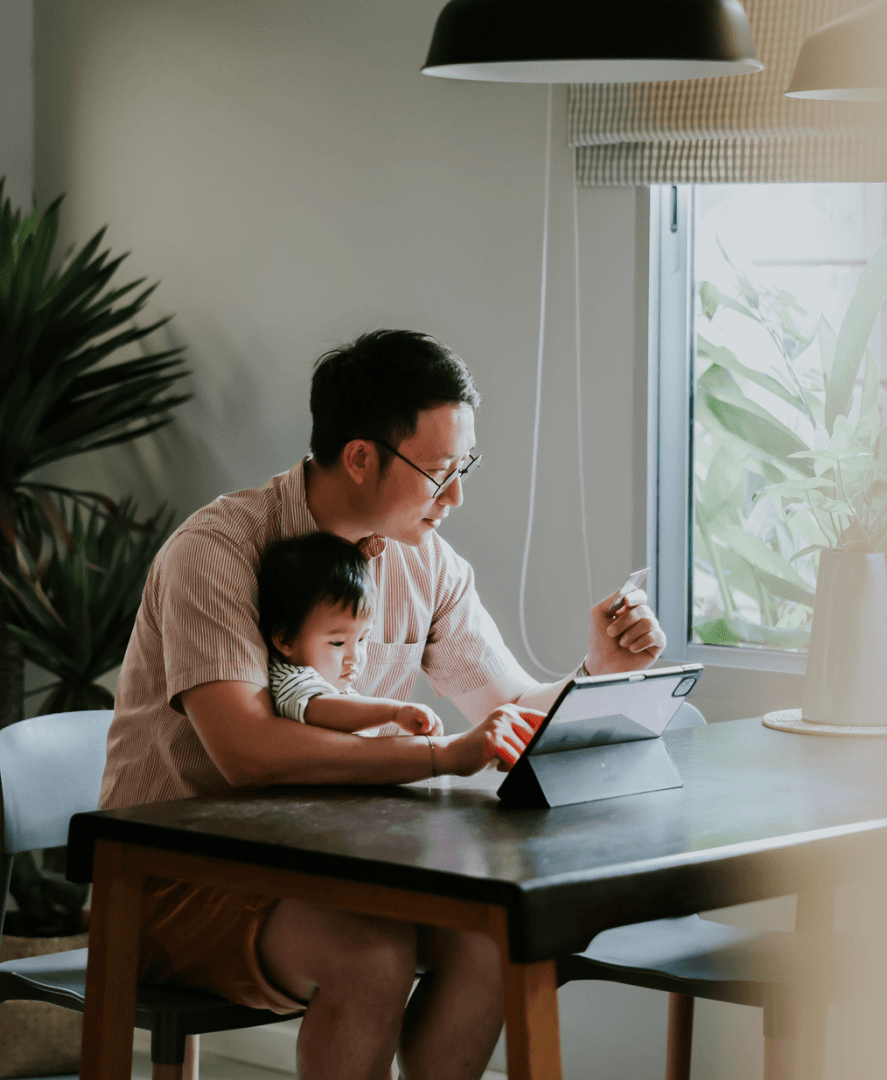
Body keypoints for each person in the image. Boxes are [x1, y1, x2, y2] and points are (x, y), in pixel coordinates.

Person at [100, 329, 666, 1080]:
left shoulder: (427, 561)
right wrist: (436, 755)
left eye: (465, 467)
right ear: (361, 456)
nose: (456, 495)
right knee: (371, 956)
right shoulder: (217, 552)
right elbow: (247, 751)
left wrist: (598, 670)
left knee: (497, 936)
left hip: (335, 867)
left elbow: (509, 705)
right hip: (171, 881)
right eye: (438, 471)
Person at [257, 531, 446, 739]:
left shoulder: (337, 689)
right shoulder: (290, 680)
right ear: (286, 639)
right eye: (338, 642)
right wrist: (394, 712)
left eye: (362, 639)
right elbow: (319, 708)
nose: (355, 657)